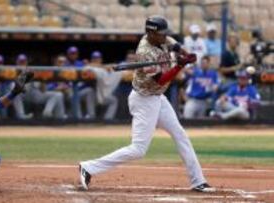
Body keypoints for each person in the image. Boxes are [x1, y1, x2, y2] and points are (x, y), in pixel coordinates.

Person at [79, 16, 215, 192]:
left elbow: (173, 44)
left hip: (157, 97)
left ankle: (198, 181)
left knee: (180, 135)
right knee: (138, 150)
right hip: (144, 100)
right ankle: (88, 167)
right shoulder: (144, 52)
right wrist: (179, 66)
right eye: (160, 34)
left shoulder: (161, 38)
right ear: (150, 33)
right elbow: (161, 79)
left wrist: (184, 54)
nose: (163, 37)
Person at [22, 54, 67, 120]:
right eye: (60, 62)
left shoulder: (66, 71)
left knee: (59, 95)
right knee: (58, 95)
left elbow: (43, 90)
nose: (62, 64)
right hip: (33, 95)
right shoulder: (44, 71)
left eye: (64, 62)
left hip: (41, 94)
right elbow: (42, 90)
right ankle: (51, 113)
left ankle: (58, 116)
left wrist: (44, 80)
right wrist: (55, 88)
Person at [84, 51, 122, 120]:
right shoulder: (89, 67)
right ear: (92, 59)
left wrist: (105, 67)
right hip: (92, 95)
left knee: (114, 100)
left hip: (103, 94)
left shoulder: (104, 69)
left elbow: (115, 68)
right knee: (90, 92)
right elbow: (87, 68)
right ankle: (91, 118)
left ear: (101, 59)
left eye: (98, 58)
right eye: (94, 58)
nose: (96, 59)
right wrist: (103, 67)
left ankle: (108, 120)